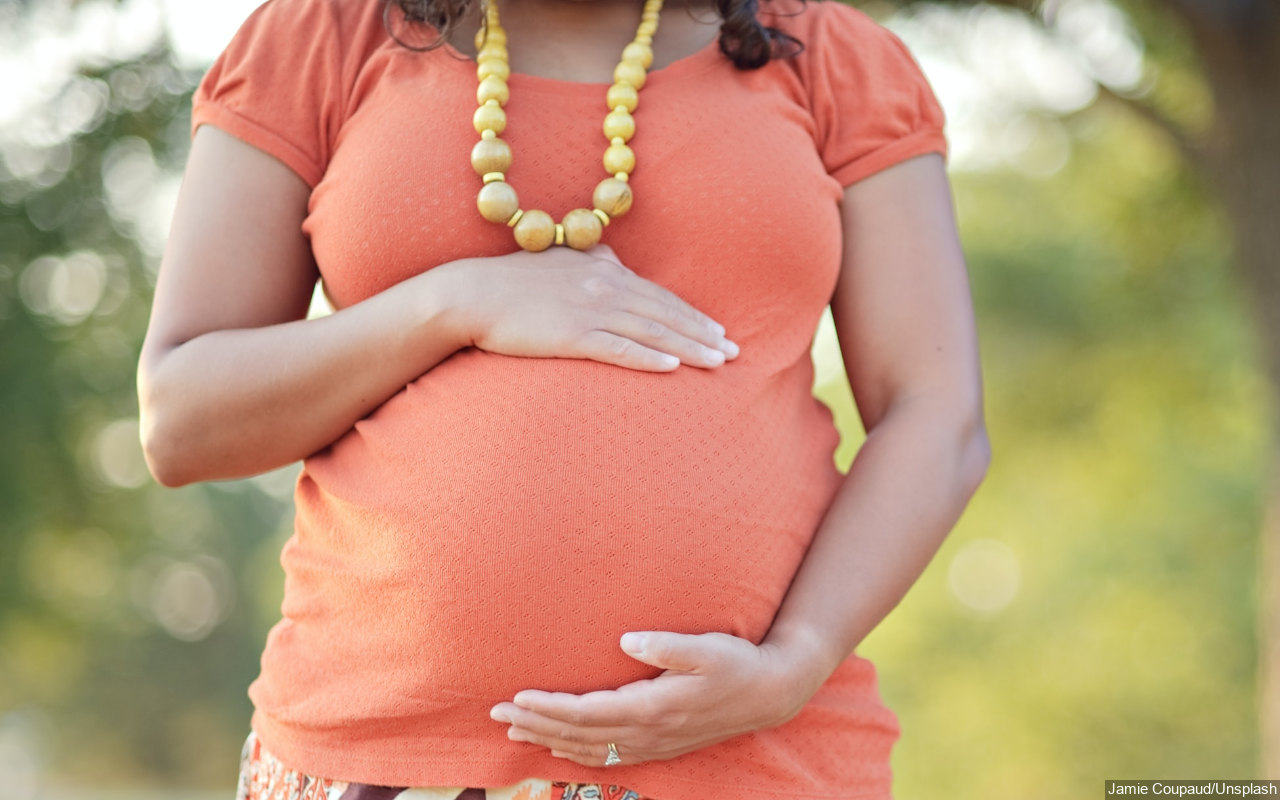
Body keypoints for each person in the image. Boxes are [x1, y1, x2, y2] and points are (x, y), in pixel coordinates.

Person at [137, 0, 990, 796]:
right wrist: (456, 303)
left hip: (761, 759)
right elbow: (183, 420)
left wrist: (795, 662)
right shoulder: (323, 36)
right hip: (380, 755)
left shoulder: (830, 55)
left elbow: (935, 411)